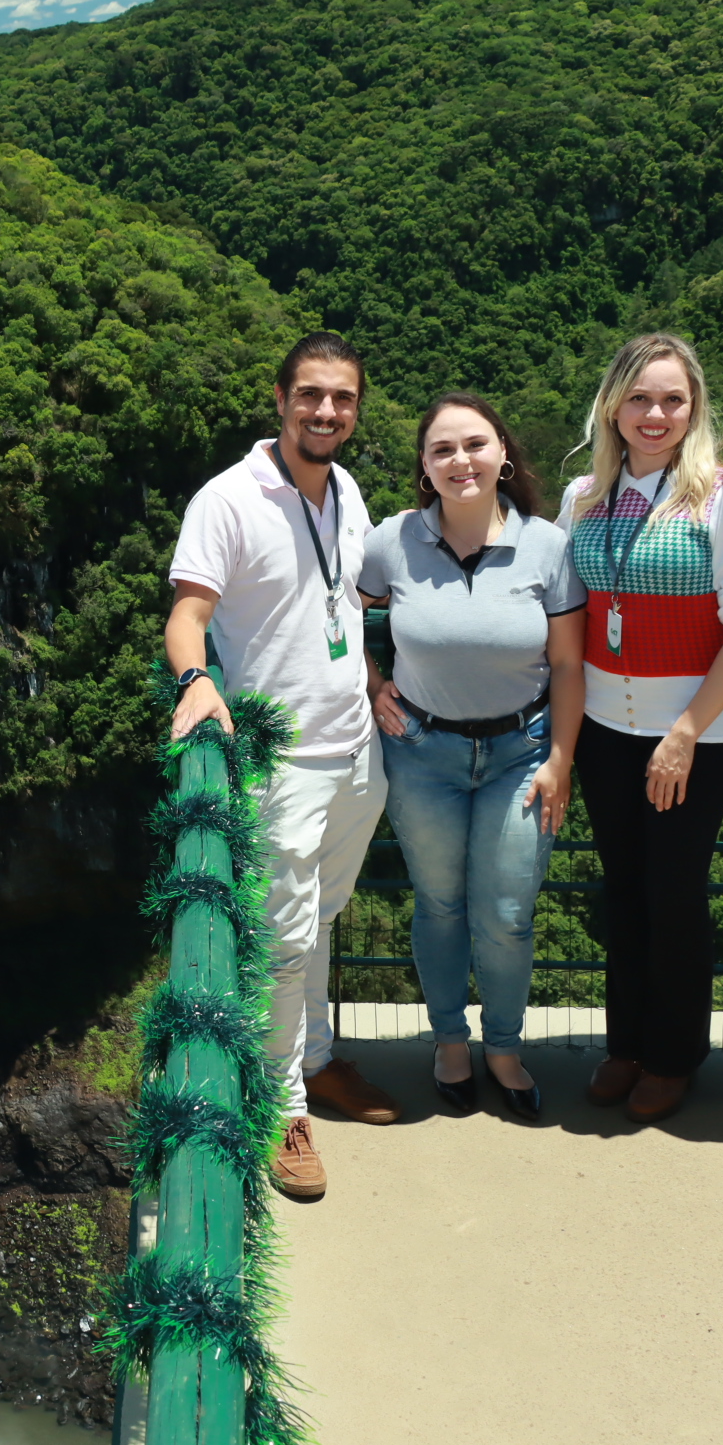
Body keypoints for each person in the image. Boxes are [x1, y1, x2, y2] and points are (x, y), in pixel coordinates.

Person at [166, 331, 395, 1201]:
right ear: (280, 399)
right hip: (284, 757)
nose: (327, 411)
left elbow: (339, 605)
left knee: (323, 917)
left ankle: (320, 1058)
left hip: (355, 749)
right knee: (283, 935)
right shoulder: (228, 499)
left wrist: (372, 681)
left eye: (342, 398)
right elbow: (189, 613)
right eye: (311, 396)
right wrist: (196, 679)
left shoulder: (346, 489)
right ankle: (282, 1106)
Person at [557, 334, 723, 1122]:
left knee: (674, 895)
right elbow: (568, 615)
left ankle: (674, 1054)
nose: (656, 415)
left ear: (695, 410)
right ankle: (628, 1043)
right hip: (605, 731)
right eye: (641, 398)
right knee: (622, 891)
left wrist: (683, 730)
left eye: (673, 400)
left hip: (693, 734)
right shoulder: (583, 495)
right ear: (613, 404)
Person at [358, 393, 585, 1121]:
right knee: (442, 903)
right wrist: (371, 684)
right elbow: (337, 614)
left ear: (502, 454)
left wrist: (561, 759)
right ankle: (451, 1041)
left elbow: (571, 666)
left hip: (522, 752)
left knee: (508, 912)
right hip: (422, 751)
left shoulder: (546, 545)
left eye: (475, 445)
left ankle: (505, 1049)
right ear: (424, 467)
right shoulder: (392, 541)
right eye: (442, 450)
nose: (461, 460)